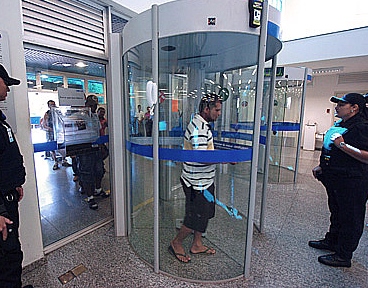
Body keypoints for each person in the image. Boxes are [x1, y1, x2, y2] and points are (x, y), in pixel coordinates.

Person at [310, 93, 368, 268]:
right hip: (337, 179)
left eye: (341, 104)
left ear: (354, 108)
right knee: (337, 212)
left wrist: (343, 145)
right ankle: (332, 241)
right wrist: (323, 166)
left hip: (353, 181)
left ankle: (343, 255)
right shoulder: (342, 124)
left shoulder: (362, 127)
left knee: (350, 217)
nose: (337, 107)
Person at [169, 92, 222, 263]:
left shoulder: (203, 125)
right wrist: (225, 159)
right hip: (196, 183)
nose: (219, 114)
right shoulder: (199, 128)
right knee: (194, 218)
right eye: (217, 110)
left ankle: (197, 244)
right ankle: (176, 243)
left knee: (204, 214)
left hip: (204, 180)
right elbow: (200, 158)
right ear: (207, 109)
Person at [0, 64, 32, 287]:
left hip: (9, 196)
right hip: (2, 207)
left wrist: (15, 184)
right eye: (6, 84)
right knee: (8, 258)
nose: (8, 90)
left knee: (12, 253)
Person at [76, 95, 109, 210]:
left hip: (96, 148)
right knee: (86, 173)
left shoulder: (95, 116)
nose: (93, 108)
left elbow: (98, 131)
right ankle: (90, 197)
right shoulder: (79, 117)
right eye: (91, 105)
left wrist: (101, 145)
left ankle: (98, 190)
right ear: (86, 105)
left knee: (99, 170)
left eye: (95, 106)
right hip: (85, 149)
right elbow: (79, 133)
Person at [42, 100, 72, 170]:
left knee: (62, 146)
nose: (53, 106)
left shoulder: (58, 112)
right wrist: (51, 129)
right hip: (51, 133)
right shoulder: (47, 114)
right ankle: (55, 162)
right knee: (52, 148)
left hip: (59, 132)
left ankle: (64, 160)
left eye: (54, 104)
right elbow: (44, 125)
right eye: (51, 105)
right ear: (48, 106)